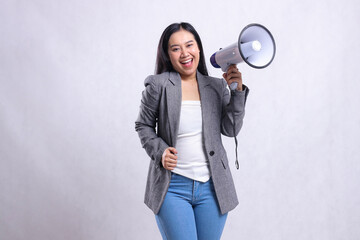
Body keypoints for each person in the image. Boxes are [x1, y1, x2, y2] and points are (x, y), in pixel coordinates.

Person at [135, 22, 249, 240]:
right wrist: (160, 151)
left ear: (199, 48)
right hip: (173, 187)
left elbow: (231, 128)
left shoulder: (216, 87)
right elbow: (143, 125)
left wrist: (237, 92)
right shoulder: (158, 85)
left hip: (213, 188)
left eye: (189, 45)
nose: (184, 53)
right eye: (176, 48)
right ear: (167, 54)